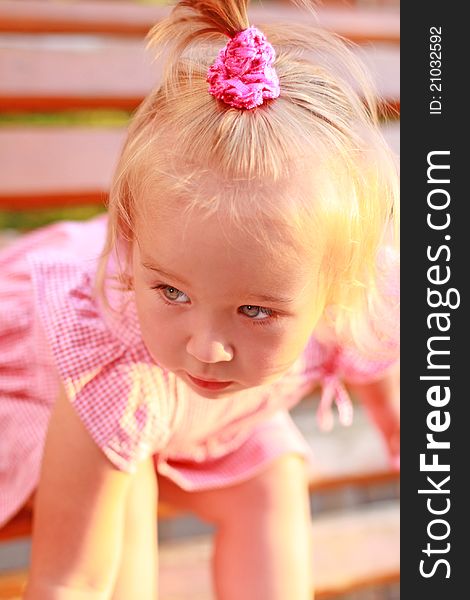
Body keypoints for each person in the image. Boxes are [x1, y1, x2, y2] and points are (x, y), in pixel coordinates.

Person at [0, 1, 399, 598]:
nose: (207, 345)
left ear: (335, 289)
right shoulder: (110, 363)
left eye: (256, 311)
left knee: (273, 469)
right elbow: (67, 582)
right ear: (132, 253)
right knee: (125, 484)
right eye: (172, 292)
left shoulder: (346, 300)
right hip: (47, 396)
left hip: (194, 422)